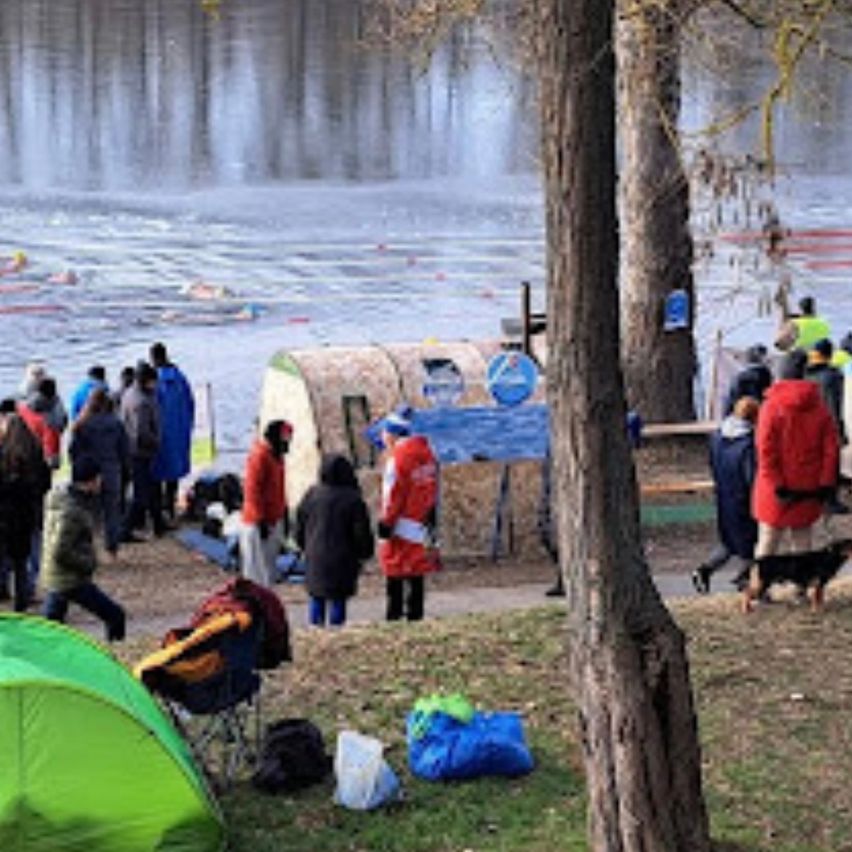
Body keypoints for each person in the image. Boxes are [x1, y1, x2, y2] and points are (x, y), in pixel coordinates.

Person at [752, 350, 839, 559]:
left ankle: (759, 579)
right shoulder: (819, 407)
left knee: (768, 541)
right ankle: (802, 579)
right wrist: (826, 483)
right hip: (808, 485)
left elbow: (765, 450)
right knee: (802, 540)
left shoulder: (770, 407)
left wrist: (776, 483)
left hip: (776, 487)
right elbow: (831, 449)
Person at [41, 455, 126, 641]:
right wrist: (88, 563)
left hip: (56, 575)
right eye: (99, 478)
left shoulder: (61, 498)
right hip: (69, 579)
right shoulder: (72, 512)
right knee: (115, 615)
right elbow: (60, 550)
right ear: (92, 481)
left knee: (50, 625)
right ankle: (115, 650)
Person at [295, 454, 374, 627]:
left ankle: (315, 628)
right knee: (338, 598)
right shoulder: (352, 498)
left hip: (315, 554)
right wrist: (365, 553)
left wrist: (302, 545)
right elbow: (361, 533)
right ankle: (336, 629)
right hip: (343, 558)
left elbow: (300, 524)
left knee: (317, 596)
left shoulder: (312, 494)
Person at [377, 407, 439, 622]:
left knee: (394, 570)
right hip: (420, 519)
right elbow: (431, 487)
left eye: (384, 432)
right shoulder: (427, 454)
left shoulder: (397, 458)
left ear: (392, 434)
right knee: (416, 572)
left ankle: (394, 616)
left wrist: (386, 523)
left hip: (400, 522)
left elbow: (393, 494)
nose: (382, 437)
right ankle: (415, 615)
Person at [693, 397, 759, 594]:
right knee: (750, 543)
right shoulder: (748, 443)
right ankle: (745, 581)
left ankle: (704, 570)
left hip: (724, 495)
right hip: (743, 499)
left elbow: (712, 463)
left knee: (728, 541)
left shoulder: (717, 437)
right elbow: (750, 476)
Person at [70, 388, 131, 556]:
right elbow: (124, 451)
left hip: (88, 473)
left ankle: (87, 549)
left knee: (88, 514)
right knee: (112, 512)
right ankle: (112, 547)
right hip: (111, 470)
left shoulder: (82, 424)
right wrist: (126, 471)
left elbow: (74, 451)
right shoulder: (116, 424)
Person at [0, 408, 50, 610]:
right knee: (23, 559)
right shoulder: (34, 453)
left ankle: (3, 588)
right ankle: (23, 597)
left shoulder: (4, 455)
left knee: (4, 556)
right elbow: (45, 482)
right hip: (27, 513)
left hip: (5, 515)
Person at [240, 419, 292, 587]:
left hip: (273, 518)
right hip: (257, 522)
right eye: (285, 440)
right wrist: (259, 519)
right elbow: (252, 490)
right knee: (256, 570)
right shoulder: (260, 456)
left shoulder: (277, 457)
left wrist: (284, 512)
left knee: (269, 567)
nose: (288, 445)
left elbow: (278, 488)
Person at [149, 343, 195, 523]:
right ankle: (170, 508)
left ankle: (158, 512)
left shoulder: (155, 382)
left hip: (160, 436)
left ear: (153, 359)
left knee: (156, 475)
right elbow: (190, 404)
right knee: (173, 476)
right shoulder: (180, 378)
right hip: (179, 434)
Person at [805, 338, 848, 514]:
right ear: (829, 355)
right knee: (830, 464)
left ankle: (815, 496)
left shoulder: (805, 373)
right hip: (827, 425)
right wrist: (840, 432)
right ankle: (830, 501)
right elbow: (835, 405)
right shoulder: (833, 376)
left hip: (808, 426)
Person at [120, 362, 161, 539]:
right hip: (140, 452)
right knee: (141, 493)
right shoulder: (141, 402)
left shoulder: (129, 393)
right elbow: (141, 432)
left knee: (149, 489)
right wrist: (156, 442)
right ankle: (126, 529)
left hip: (132, 449)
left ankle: (157, 523)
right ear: (146, 380)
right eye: (153, 381)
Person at [724, 344, 772, 413]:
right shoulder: (766, 375)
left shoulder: (739, 377)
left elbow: (731, 402)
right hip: (761, 414)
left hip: (741, 414)